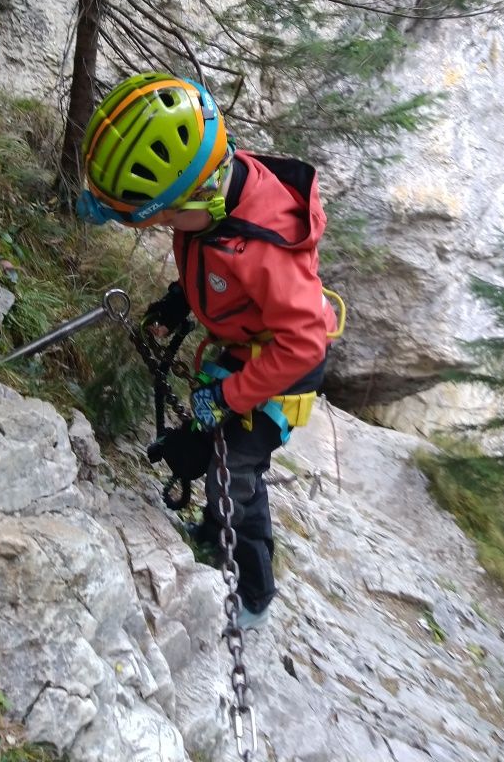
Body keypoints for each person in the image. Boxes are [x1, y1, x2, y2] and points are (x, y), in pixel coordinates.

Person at [76, 71, 338, 631]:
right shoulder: (206, 203)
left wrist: (231, 395)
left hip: (284, 369)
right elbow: (208, 264)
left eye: (168, 217)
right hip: (244, 350)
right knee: (205, 449)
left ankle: (253, 593)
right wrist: (178, 304)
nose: (166, 226)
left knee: (234, 476)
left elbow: (303, 341)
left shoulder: (266, 249)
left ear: (199, 196)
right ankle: (213, 529)